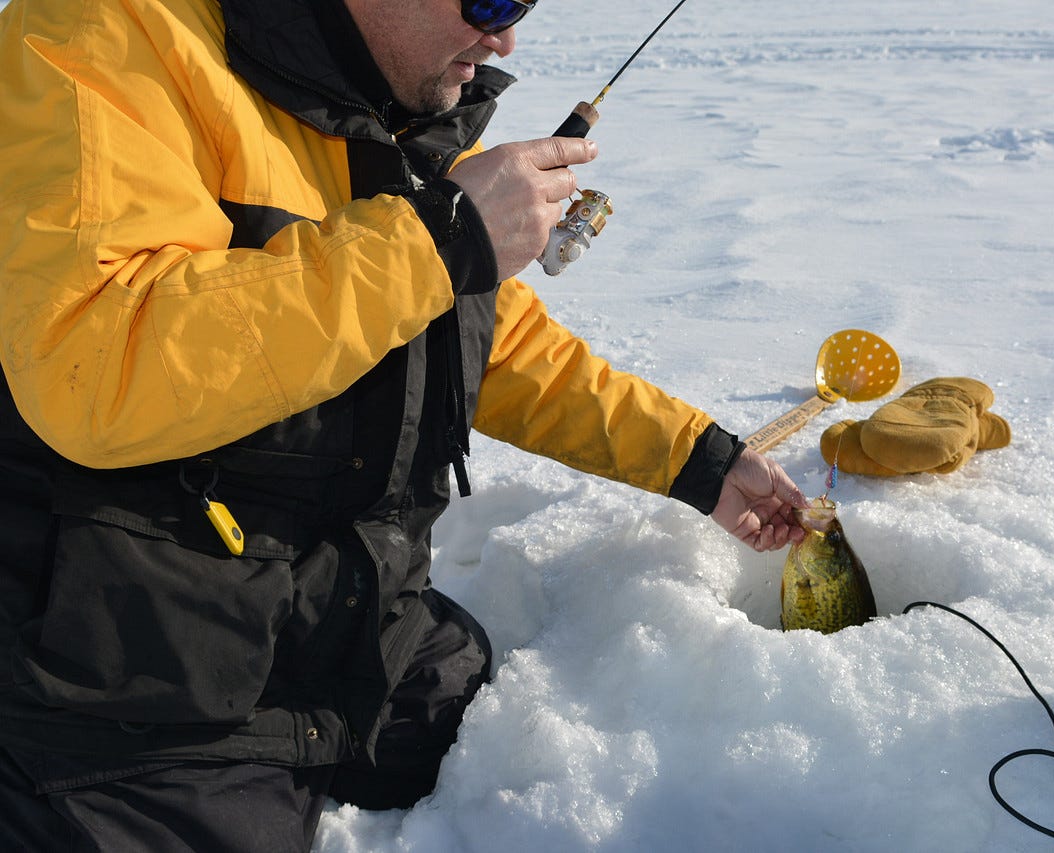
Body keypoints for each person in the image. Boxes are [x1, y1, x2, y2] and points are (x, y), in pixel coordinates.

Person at [0, 0, 811, 848]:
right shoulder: (97, 34)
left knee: (465, 686)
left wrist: (699, 460)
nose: (505, 37)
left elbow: (488, 339)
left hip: (338, 627)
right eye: (489, 0)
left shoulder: (392, 101)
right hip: (128, 675)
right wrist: (432, 241)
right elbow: (96, 365)